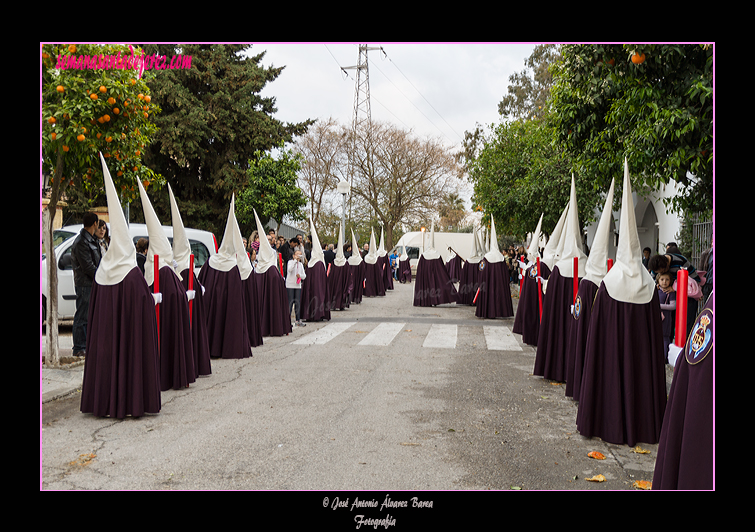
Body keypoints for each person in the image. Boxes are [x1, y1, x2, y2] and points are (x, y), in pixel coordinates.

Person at [70, 211, 101, 357]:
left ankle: (86, 345)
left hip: (91, 283)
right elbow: (88, 266)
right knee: (82, 315)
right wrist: (101, 276)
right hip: (84, 284)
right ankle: (79, 347)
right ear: (94, 224)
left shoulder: (91, 239)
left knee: (88, 316)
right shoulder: (81, 241)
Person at [657, 271, 676, 362]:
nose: (664, 282)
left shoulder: (670, 292)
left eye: (667, 279)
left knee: (665, 337)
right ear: (658, 280)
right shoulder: (656, 290)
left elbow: (673, 306)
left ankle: (665, 357)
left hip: (666, 318)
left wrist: (658, 306)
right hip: (657, 317)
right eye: (662, 279)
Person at [286, 249, 307, 327]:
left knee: (297, 303)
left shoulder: (301, 265)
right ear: (294, 255)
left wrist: (300, 276)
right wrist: (295, 261)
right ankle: (287, 321)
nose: (299, 256)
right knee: (290, 303)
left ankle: (298, 320)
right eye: (297, 254)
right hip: (290, 285)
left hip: (298, 285)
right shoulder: (290, 262)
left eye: (300, 254)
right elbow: (289, 270)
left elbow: (304, 276)